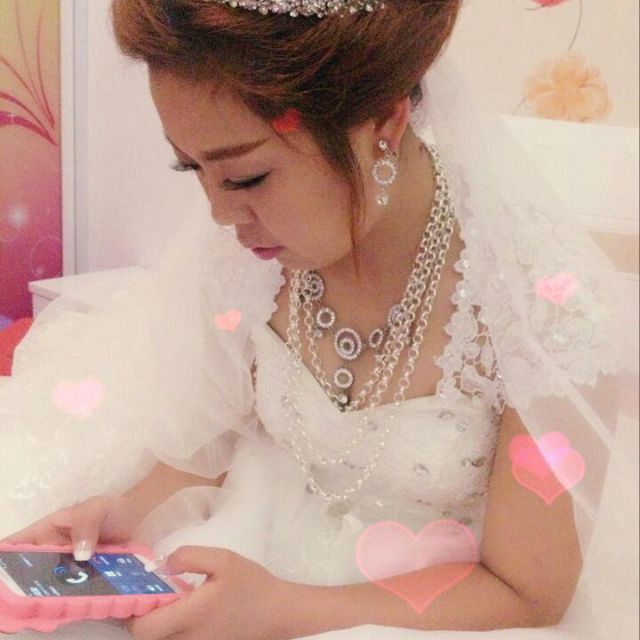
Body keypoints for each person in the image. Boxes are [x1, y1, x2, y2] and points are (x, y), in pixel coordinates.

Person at [1, 1, 637, 639]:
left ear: (384, 122)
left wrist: (280, 610)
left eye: (247, 178)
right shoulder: (248, 262)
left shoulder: (543, 306)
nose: (219, 214)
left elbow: (528, 595)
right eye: (192, 168)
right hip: (254, 540)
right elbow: (214, 440)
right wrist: (124, 515)